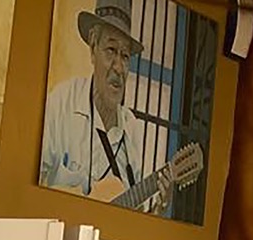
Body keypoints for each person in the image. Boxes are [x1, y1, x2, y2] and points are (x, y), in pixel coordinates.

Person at [40, 0, 174, 214]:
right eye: (111, 50)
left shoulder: (132, 129)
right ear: (93, 47)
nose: (119, 68)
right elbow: (29, 181)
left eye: (125, 56)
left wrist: (159, 208)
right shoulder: (62, 102)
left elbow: (132, 220)